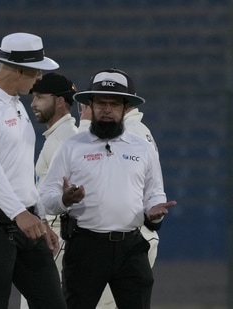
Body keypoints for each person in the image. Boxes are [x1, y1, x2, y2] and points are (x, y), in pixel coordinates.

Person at [39, 68, 177, 309]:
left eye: (114, 104)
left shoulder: (141, 148)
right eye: (101, 102)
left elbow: (155, 193)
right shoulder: (71, 147)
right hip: (85, 247)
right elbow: (45, 198)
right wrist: (64, 199)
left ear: (125, 108)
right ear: (90, 105)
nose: (107, 109)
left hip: (131, 248)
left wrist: (154, 212)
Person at [0, 32, 67, 309]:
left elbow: (20, 170)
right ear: (19, 70)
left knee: (53, 303)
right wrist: (20, 214)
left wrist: (39, 216)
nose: (39, 79)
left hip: (25, 219)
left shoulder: (16, 106)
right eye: (37, 71)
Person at [78, 91, 161, 309]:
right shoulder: (141, 130)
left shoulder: (126, 133)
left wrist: (85, 125)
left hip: (125, 237)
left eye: (111, 103)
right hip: (137, 235)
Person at [19, 72, 78, 309]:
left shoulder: (63, 141)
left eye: (40, 97)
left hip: (55, 236)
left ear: (60, 101)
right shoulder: (59, 137)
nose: (33, 103)